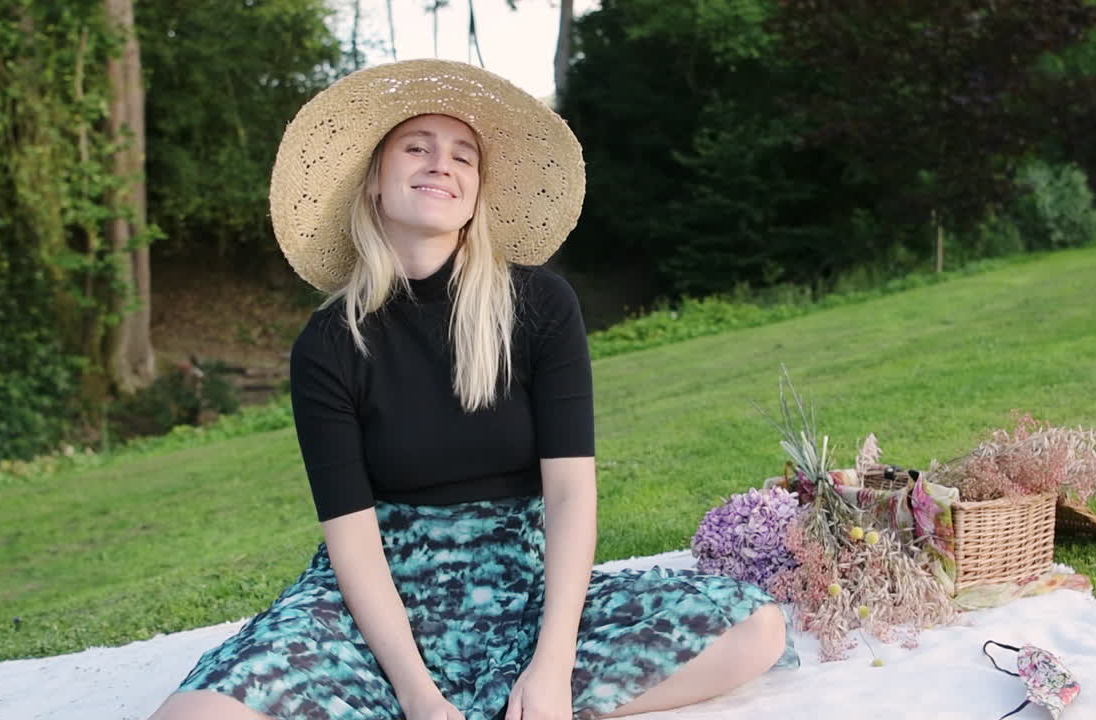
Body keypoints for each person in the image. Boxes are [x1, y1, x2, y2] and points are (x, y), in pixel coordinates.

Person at [147, 59, 800, 720]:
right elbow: (352, 539)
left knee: (754, 630)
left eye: (463, 155)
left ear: (476, 190)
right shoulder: (328, 344)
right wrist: (420, 698)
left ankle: (525, 700)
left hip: (521, 586)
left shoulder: (541, 305)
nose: (441, 163)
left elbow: (571, 491)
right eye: (416, 147)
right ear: (374, 181)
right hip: (378, 605)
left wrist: (551, 666)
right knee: (194, 716)